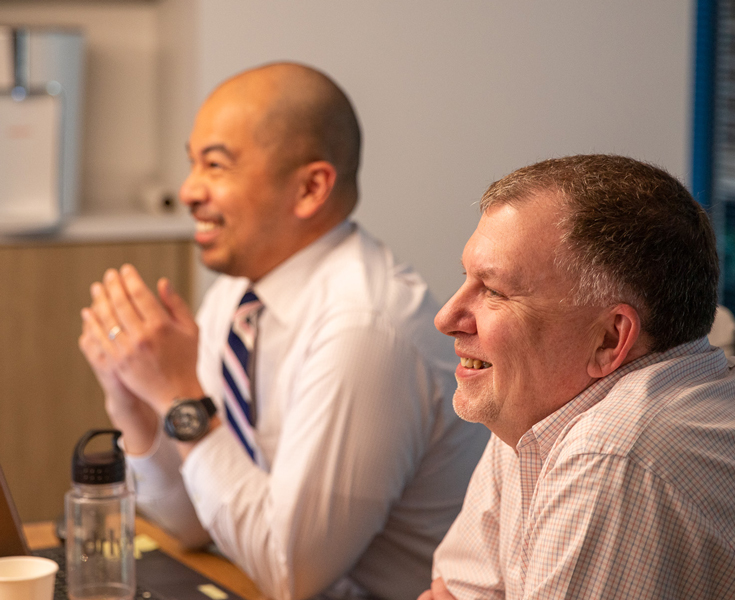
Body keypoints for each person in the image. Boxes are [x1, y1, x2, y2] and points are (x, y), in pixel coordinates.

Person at [78, 62, 487, 600]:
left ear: (311, 188)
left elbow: (290, 574)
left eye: (216, 165)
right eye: (192, 163)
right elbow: (198, 522)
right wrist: (132, 398)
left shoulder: (362, 327)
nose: (189, 190)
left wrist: (181, 396)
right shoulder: (238, 297)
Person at [420, 154, 735, 600]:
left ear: (610, 338)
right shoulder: (540, 405)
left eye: (494, 292)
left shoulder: (613, 452)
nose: (447, 317)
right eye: (467, 279)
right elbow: (448, 591)